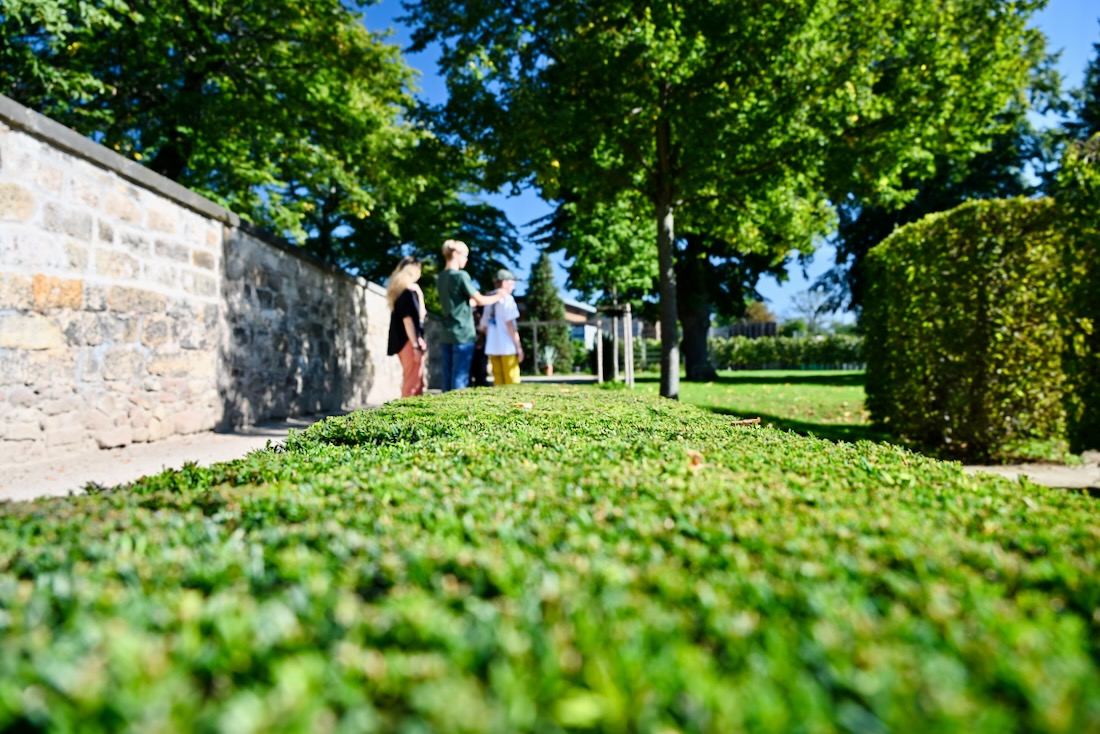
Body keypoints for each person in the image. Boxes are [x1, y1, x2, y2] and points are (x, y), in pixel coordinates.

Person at [436, 239, 506, 391]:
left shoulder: (441, 277)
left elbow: (462, 303)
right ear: (455, 254)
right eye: (465, 255)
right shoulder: (460, 276)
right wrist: (499, 296)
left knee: (447, 378)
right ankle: (455, 413)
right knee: (460, 377)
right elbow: (479, 300)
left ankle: (443, 412)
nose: (466, 259)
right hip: (462, 332)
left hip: (446, 333)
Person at [386, 255, 427, 397]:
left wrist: (420, 294)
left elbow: (421, 315)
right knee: (412, 385)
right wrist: (415, 344)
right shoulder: (406, 293)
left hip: (409, 342)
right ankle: (404, 417)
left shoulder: (404, 292)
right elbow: (408, 321)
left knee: (417, 383)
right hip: (409, 342)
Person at [479, 268, 524, 385]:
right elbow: (510, 326)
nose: (513, 287)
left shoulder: (489, 299)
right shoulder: (508, 299)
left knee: (498, 381)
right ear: (504, 283)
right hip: (507, 347)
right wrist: (518, 348)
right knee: (512, 382)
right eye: (512, 283)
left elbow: (483, 327)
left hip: (492, 347)